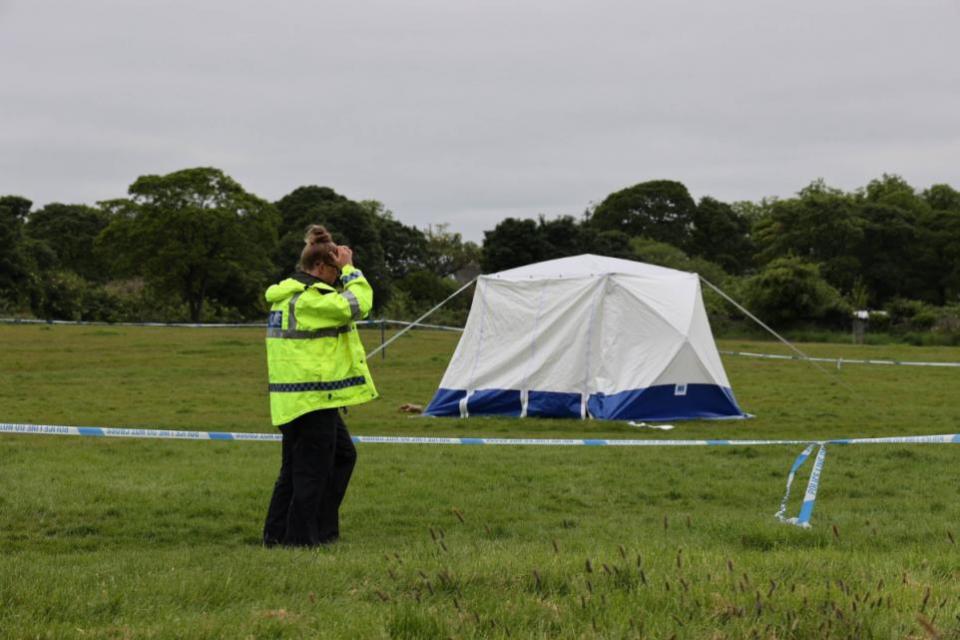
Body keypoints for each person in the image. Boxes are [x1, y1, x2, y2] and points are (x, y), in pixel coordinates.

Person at [262, 225, 378, 547]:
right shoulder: (309, 301)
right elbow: (359, 303)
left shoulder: (286, 297)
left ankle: (280, 534)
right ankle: (300, 540)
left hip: (295, 399)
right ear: (322, 267)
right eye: (336, 271)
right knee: (311, 471)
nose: (338, 278)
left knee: (328, 460)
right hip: (311, 398)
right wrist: (352, 269)